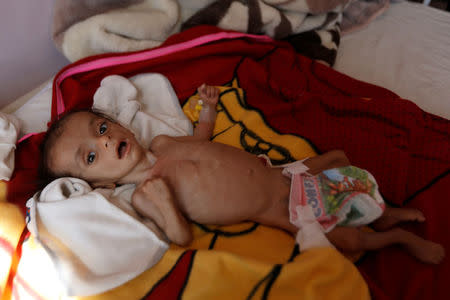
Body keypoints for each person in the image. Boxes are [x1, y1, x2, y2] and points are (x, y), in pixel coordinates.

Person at [39, 84, 445, 264]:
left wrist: (210, 110)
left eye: (103, 128)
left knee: (339, 158)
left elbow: (202, 139)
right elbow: (181, 236)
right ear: (103, 185)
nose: (106, 142)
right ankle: (397, 238)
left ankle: (386, 210)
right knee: (349, 239)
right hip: (279, 206)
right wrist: (165, 204)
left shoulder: (162, 143)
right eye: (90, 157)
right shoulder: (147, 194)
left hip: (281, 172)